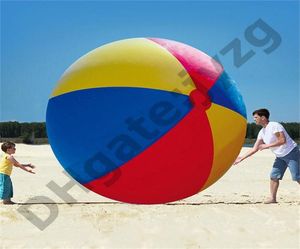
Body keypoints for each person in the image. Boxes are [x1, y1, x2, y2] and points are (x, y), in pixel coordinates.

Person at [234, 108, 299, 204]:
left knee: (297, 177)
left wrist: (266, 146)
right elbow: (255, 148)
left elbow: (282, 140)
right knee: (274, 176)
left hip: (291, 153)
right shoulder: (262, 132)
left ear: (263, 117)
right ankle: (273, 198)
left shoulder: (274, 126)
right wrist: (241, 158)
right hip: (280, 156)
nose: (254, 119)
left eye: (256, 117)